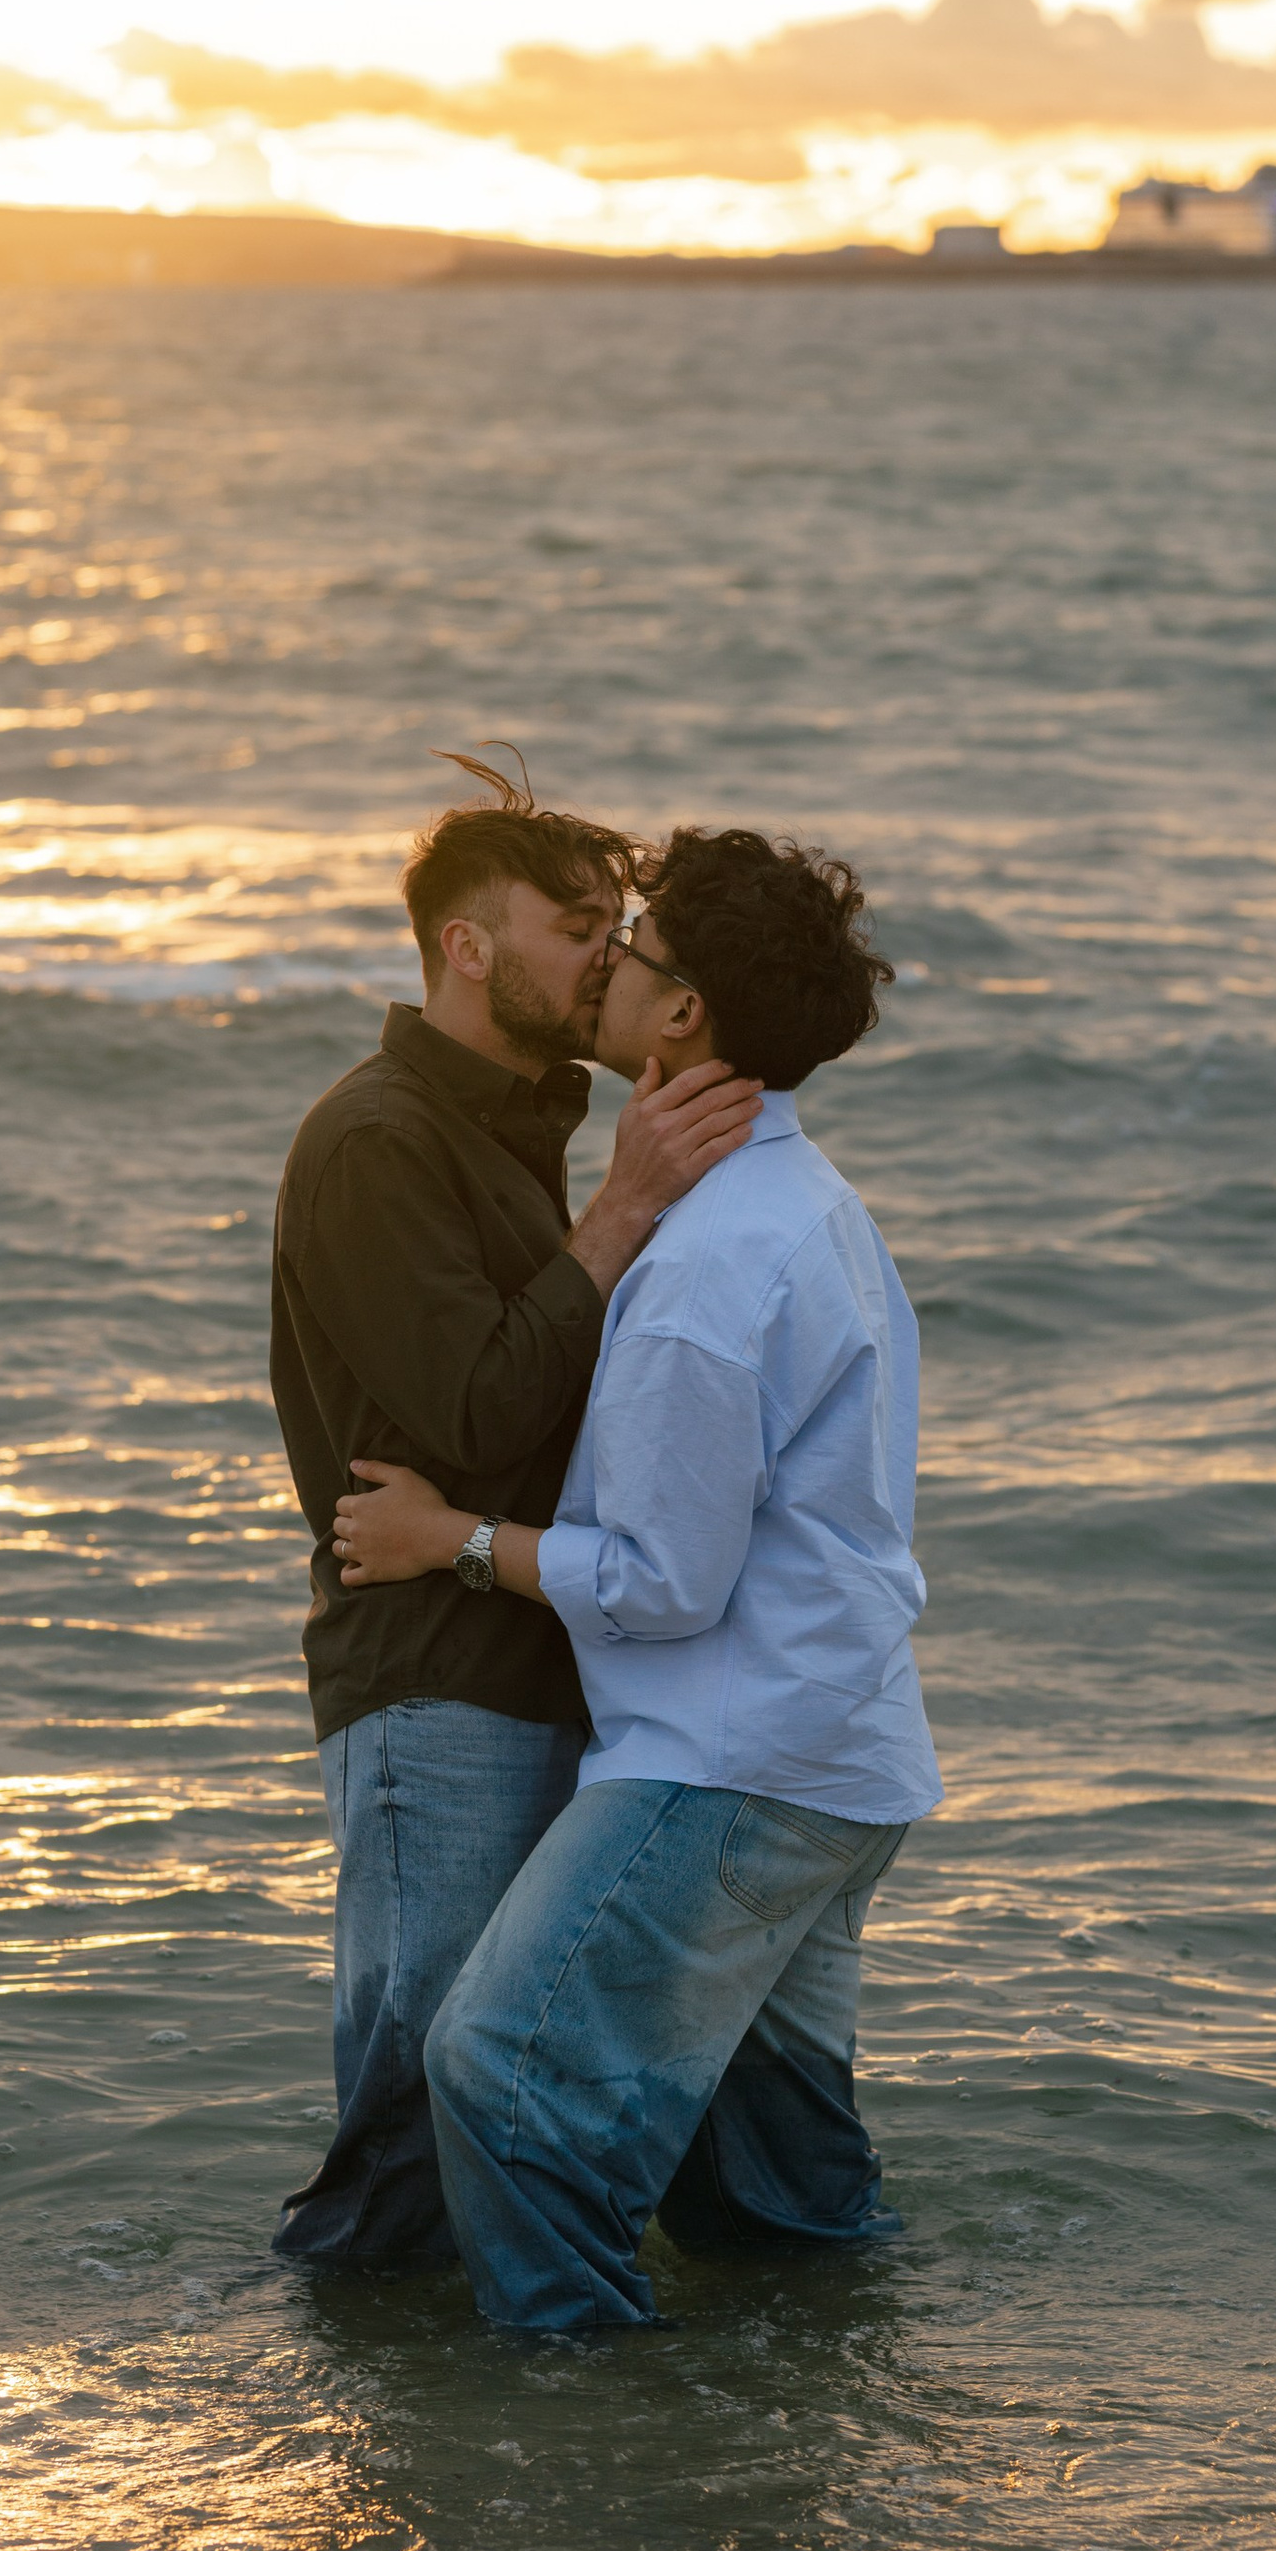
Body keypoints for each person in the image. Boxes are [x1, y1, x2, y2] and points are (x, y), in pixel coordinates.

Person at [332, 825, 938, 2333]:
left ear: (682, 1019)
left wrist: (454, 1543)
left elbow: (666, 1586)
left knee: (496, 2069)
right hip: (845, 1754)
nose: (607, 965)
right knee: (773, 2186)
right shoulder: (817, 1213)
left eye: (636, 952)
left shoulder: (703, 1270)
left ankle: (591, 2440)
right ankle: (823, 2425)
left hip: (728, 1764)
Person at [268, 759, 763, 2268]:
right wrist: (619, 1218)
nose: (607, 958)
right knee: (421, 2100)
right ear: (465, 948)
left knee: (514, 2086)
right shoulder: (378, 1139)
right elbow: (469, 1418)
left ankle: (473, 2438)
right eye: (575, 928)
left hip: (539, 1664)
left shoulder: (510, 1127)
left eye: (616, 929)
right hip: (431, 1683)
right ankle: (339, 2407)